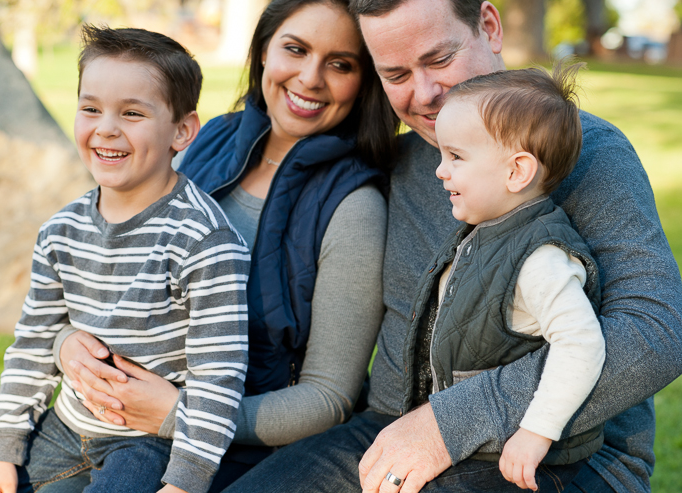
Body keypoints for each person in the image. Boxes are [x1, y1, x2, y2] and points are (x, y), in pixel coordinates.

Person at [214, 0, 682, 492]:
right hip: (385, 430)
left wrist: (450, 423)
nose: (425, 94)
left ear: (490, 26)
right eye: (395, 74)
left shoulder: (580, 154)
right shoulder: (397, 160)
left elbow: (656, 330)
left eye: (439, 59)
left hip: (553, 455)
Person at [53, 0, 399, 490]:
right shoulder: (210, 139)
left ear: (364, 82)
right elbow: (103, 270)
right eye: (295, 49)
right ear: (264, 51)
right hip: (99, 423)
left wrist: (179, 414)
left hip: (227, 451)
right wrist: (66, 344)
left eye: (340, 64)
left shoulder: (354, 207)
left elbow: (328, 398)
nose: (310, 77)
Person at [0, 26, 251, 493]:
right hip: (65, 424)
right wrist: (2, 453)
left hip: (148, 441)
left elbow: (217, 378)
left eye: (132, 112)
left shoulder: (204, 240)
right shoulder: (61, 230)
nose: (107, 128)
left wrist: (185, 483)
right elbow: (34, 344)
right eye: (91, 109)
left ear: (182, 131)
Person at [428, 63, 606, 491]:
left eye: (455, 156)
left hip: (522, 456)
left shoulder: (540, 258)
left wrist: (536, 432)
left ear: (516, 172)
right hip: (484, 444)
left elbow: (581, 343)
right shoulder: (489, 233)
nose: (440, 170)